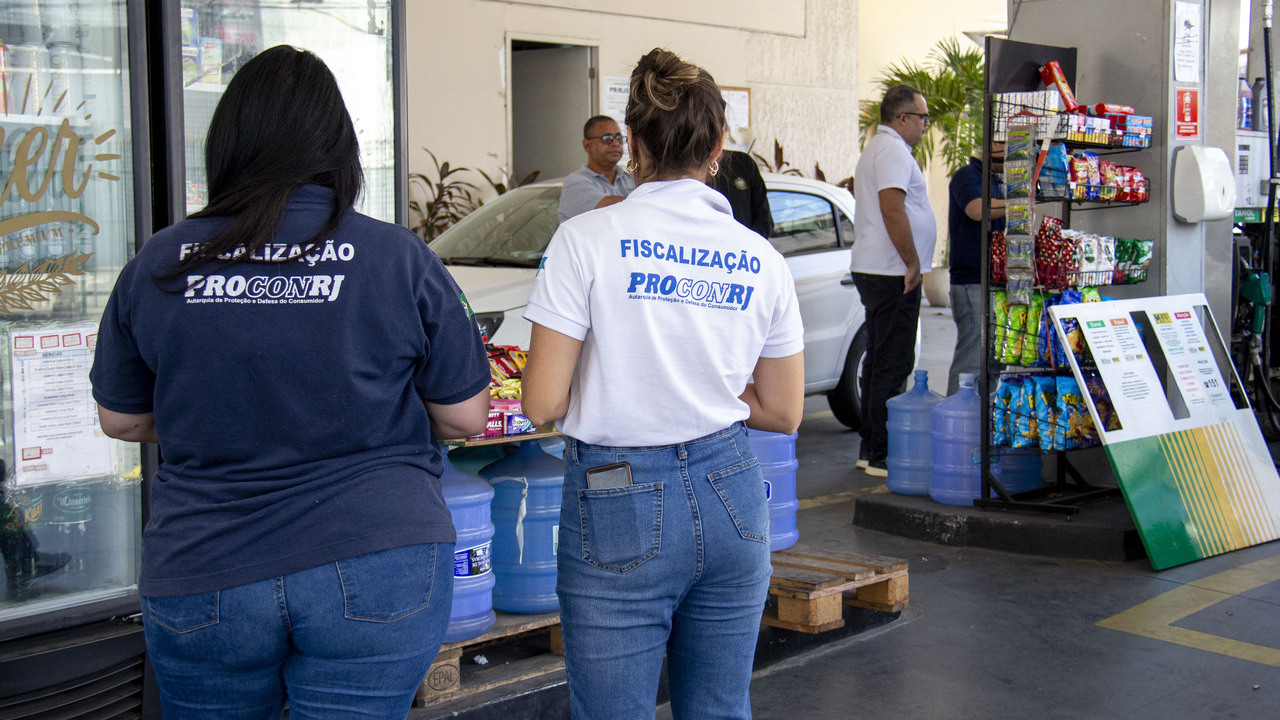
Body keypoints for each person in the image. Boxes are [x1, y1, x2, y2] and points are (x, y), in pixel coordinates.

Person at [89, 46, 491, 718]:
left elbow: (121, 419)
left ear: (229, 145)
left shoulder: (160, 259)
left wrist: (222, 417)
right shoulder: (397, 256)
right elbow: (463, 416)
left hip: (205, 568)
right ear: (340, 149)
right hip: (377, 559)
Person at [521, 48, 804, 720]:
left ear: (635, 144)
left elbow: (541, 402)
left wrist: (626, 372)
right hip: (733, 488)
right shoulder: (759, 258)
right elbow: (783, 411)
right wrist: (697, 384)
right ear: (718, 146)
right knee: (718, 708)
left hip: (616, 495)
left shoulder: (586, 240)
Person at [850, 84, 937, 478]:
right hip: (891, 270)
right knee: (893, 361)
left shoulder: (881, 149)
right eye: (921, 117)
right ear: (901, 118)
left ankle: (871, 449)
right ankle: (881, 454)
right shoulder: (891, 152)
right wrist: (912, 260)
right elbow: (892, 208)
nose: (925, 124)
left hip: (880, 267)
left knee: (880, 358)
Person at [947, 142, 1006, 395]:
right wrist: (1021, 200)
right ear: (993, 143)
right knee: (971, 362)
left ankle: (981, 426)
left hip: (995, 283)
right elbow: (975, 209)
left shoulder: (998, 182)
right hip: (971, 283)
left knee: (993, 362)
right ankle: (954, 426)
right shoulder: (966, 176)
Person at [557, 115, 636, 223]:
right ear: (586, 145)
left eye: (618, 138)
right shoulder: (575, 182)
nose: (615, 143)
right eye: (607, 138)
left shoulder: (630, 179)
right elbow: (608, 210)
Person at [709, 148, 772, 238]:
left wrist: (742, 244)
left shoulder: (743, 163)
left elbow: (765, 222)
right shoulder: (687, 168)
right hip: (701, 250)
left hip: (743, 249)